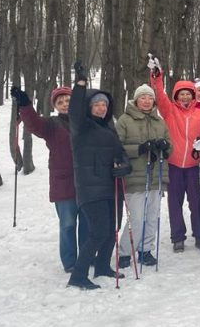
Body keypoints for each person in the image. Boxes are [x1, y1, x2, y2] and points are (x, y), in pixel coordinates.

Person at [67, 61, 130, 290]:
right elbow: (74, 109)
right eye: (97, 104)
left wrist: (124, 166)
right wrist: (81, 83)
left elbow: (121, 154)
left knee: (112, 229)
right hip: (90, 187)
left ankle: (102, 265)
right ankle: (78, 275)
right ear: (89, 107)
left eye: (104, 104)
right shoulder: (80, 127)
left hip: (111, 186)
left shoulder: (109, 128)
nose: (102, 108)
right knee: (97, 232)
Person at [11, 85, 88, 273]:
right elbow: (34, 124)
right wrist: (25, 105)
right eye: (60, 102)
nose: (64, 104)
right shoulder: (52, 125)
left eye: (68, 100)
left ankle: (87, 256)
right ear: (55, 106)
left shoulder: (86, 122)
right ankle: (70, 262)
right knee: (68, 224)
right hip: (64, 183)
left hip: (87, 182)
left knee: (87, 224)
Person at [149, 57, 200, 253]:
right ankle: (178, 237)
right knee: (174, 203)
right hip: (174, 165)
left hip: (195, 166)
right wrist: (156, 77)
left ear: (193, 96)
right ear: (176, 96)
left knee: (197, 202)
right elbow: (159, 96)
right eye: (181, 94)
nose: (185, 97)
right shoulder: (169, 111)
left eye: (188, 94)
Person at [114, 84, 171, 268]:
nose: (146, 101)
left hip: (155, 176)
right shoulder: (124, 120)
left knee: (152, 217)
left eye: (149, 98)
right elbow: (116, 147)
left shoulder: (159, 121)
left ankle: (145, 250)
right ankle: (124, 252)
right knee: (136, 219)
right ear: (136, 100)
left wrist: (164, 146)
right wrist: (139, 148)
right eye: (142, 98)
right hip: (134, 178)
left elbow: (170, 145)